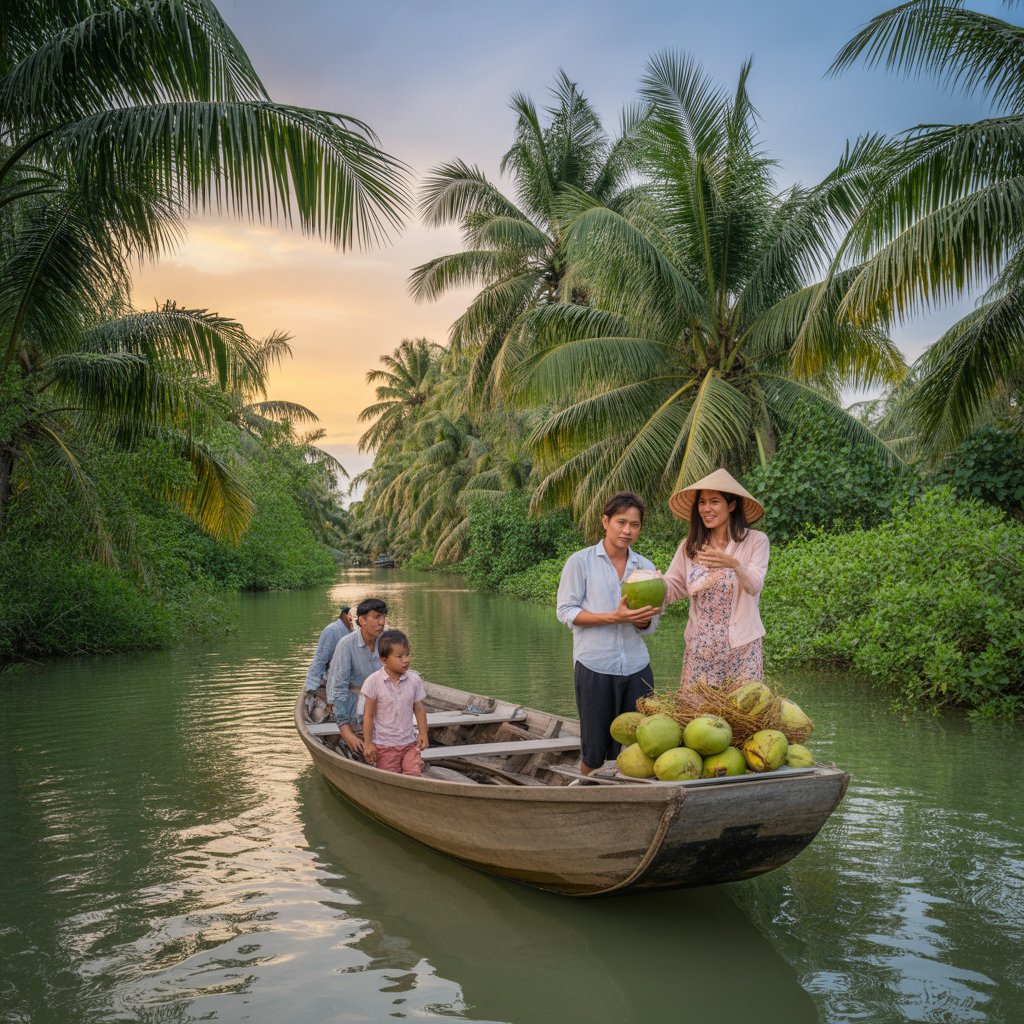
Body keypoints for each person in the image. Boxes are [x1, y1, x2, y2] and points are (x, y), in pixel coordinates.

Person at [556, 492, 661, 774]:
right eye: (621, 522)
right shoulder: (580, 562)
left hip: (637, 667)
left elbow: (650, 624)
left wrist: (640, 621)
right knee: (594, 751)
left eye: (635, 525)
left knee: (645, 744)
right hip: (595, 666)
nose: (627, 531)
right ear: (605, 521)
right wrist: (612, 617)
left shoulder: (646, 568)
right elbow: (566, 611)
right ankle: (588, 803)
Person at [662, 468, 769, 694]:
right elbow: (674, 587)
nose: (706, 509)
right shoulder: (689, 545)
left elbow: (754, 585)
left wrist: (734, 564)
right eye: (702, 502)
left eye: (714, 501)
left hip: (742, 650)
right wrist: (652, 582)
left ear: (731, 505)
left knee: (742, 720)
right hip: (700, 651)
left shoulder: (756, 541)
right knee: (697, 722)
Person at [361, 629, 429, 776]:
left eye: (407, 654)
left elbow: (419, 709)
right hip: (385, 746)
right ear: (384, 660)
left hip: (409, 743)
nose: (406, 660)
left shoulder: (414, 680)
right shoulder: (373, 682)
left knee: (413, 772)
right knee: (390, 778)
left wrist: (423, 733)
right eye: (399, 656)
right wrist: (368, 743)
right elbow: (368, 715)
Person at [326, 598, 388, 753]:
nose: (382, 622)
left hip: (384, 707)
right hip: (354, 710)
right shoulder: (346, 645)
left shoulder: (387, 641)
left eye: (383, 617)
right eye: (376, 617)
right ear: (362, 620)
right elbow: (339, 688)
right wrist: (346, 732)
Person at [304, 605, 353, 694]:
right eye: (350, 616)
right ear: (345, 616)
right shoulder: (332, 630)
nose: (353, 620)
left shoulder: (349, 632)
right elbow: (321, 659)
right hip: (335, 683)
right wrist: (311, 685)